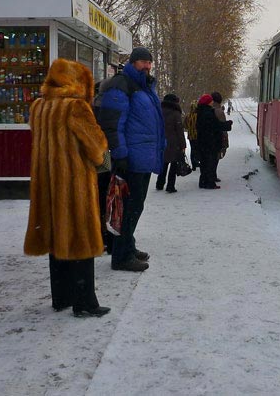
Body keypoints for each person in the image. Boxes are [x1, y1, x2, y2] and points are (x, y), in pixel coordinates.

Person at [24, 58, 111, 318]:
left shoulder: (39, 107)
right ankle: (85, 302)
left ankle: (61, 297)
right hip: (74, 184)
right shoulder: (76, 107)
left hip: (48, 183)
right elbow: (96, 146)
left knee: (56, 237)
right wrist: (100, 153)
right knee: (81, 239)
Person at [96, 47, 165, 272]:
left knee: (135, 206)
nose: (147, 66)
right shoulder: (122, 85)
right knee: (128, 208)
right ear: (133, 63)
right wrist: (120, 154)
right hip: (130, 157)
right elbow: (113, 124)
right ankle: (121, 257)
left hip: (142, 156)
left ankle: (127, 245)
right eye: (143, 62)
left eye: (149, 62)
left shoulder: (144, 87)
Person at [196, 93, 232, 189]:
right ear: (208, 102)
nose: (212, 102)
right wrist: (228, 124)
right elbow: (216, 125)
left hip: (203, 141)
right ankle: (209, 183)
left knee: (204, 163)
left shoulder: (200, 111)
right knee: (210, 162)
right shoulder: (208, 113)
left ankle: (203, 181)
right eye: (210, 101)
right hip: (210, 141)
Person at [155, 93, 186, 193]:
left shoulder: (159, 112)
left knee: (164, 163)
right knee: (173, 164)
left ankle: (159, 183)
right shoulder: (176, 113)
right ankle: (170, 186)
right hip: (174, 143)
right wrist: (183, 144)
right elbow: (179, 130)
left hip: (162, 141)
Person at [211, 92, 229, 182]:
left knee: (210, 158)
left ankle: (210, 175)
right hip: (217, 138)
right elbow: (223, 127)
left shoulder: (208, 109)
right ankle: (213, 175)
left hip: (208, 137)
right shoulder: (219, 111)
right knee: (215, 158)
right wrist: (225, 140)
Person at [183, 100, 200, 170]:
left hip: (190, 135)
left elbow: (185, 126)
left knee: (192, 150)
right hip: (198, 135)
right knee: (198, 149)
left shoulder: (188, 116)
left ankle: (193, 165)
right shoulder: (198, 115)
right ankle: (197, 161)